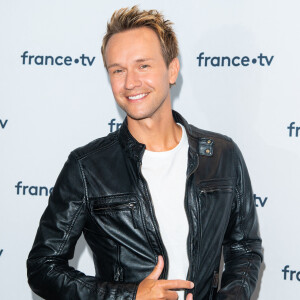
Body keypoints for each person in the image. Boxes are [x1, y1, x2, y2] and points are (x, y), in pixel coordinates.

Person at [27, 6, 262, 300]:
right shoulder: (87, 168)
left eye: (143, 65)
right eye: (118, 70)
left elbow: (245, 249)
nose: (130, 82)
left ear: (172, 70)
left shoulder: (222, 156)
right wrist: (128, 296)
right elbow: (42, 267)